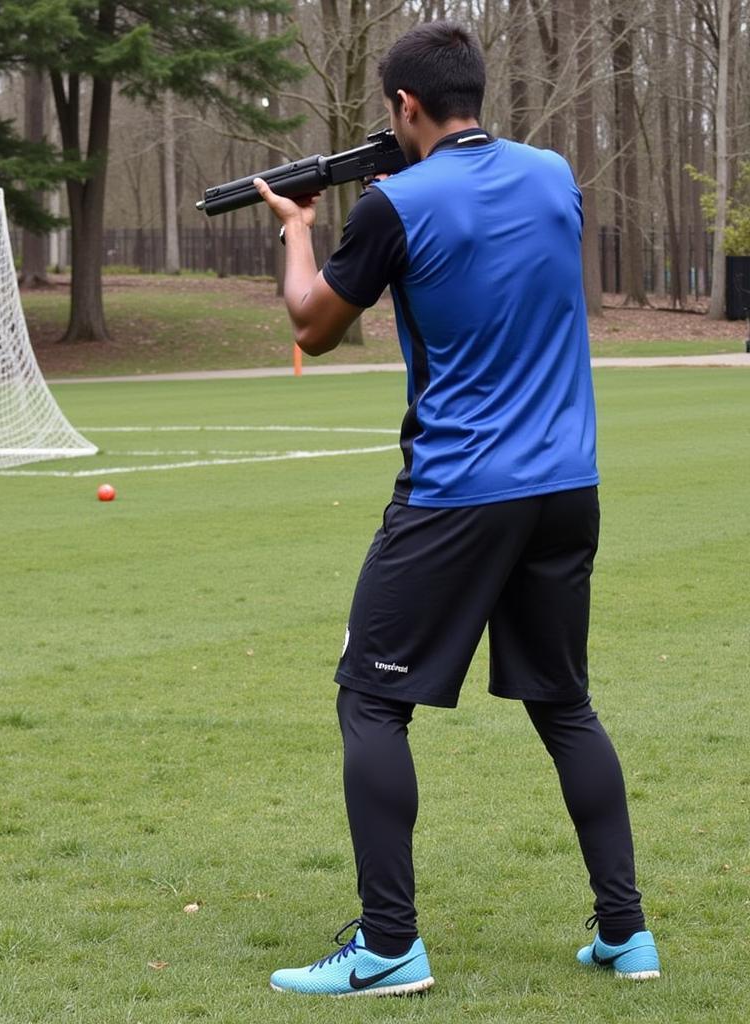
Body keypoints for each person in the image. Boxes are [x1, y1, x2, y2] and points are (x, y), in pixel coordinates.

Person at [254, 20, 661, 998]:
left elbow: (314, 319)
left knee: (370, 697)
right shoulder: (553, 173)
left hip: (457, 490)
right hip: (566, 484)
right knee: (564, 704)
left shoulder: (393, 203)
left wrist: (299, 226)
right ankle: (626, 935)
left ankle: (388, 945)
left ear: (403, 106)